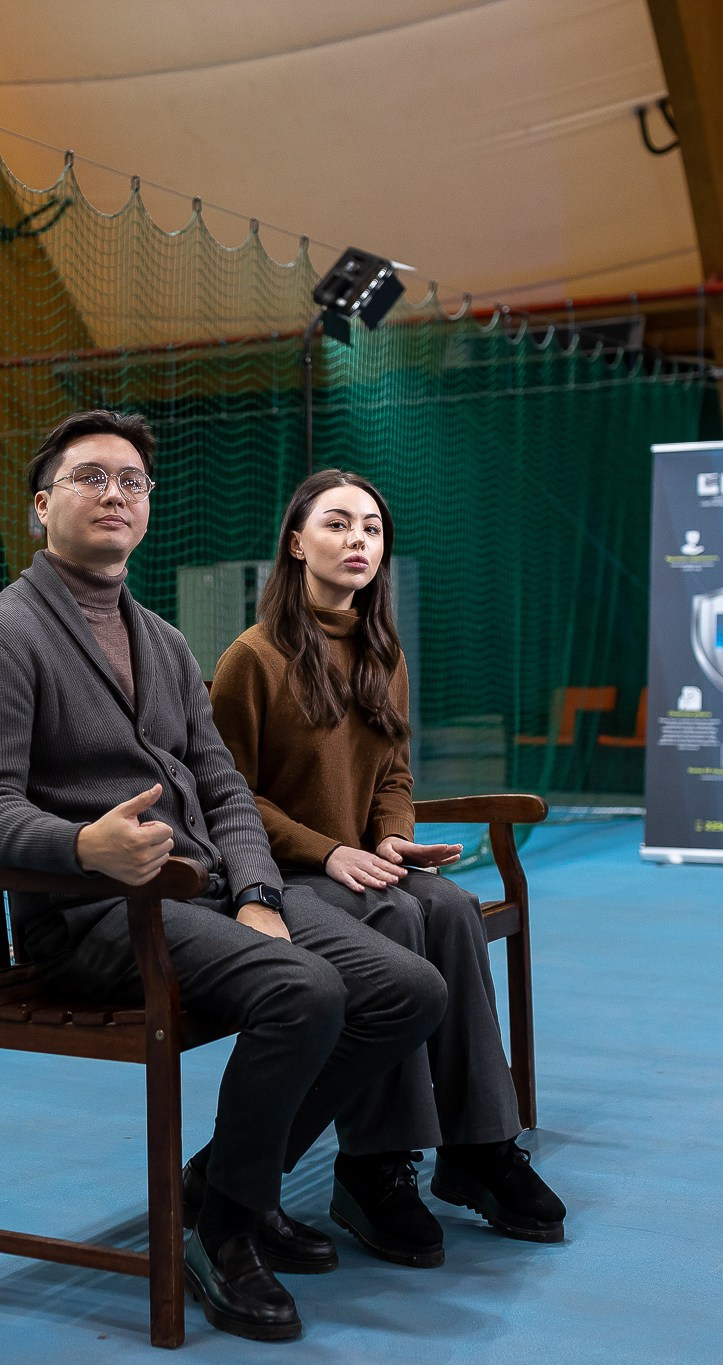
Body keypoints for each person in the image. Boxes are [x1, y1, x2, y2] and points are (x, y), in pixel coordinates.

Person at [0, 410, 448, 1342]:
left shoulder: (166, 641)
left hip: (206, 899)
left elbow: (224, 790)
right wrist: (83, 846)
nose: (115, 494)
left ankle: (220, 1187)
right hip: (95, 918)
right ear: (41, 505)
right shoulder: (0, 635)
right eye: (92, 478)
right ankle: (226, 1228)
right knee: (305, 990)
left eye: (132, 482)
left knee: (409, 988)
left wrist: (257, 893)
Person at [210, 469, 567, 1267]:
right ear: (296, 543)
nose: (358, 541)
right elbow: (225, 797)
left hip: (362, 866)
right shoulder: (251, 659)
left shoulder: (383, 652)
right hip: (287, 873)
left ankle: (478, 1145)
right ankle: (373, 1166)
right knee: (408, 915)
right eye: (337, 525)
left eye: (371, 528)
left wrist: (393, 837)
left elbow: (394, 775)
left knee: (447, 902)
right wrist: (329, 849)